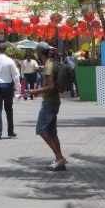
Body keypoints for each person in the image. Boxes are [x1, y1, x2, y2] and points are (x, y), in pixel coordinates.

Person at [30, 42, 67, 171]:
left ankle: (59, 157)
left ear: (39, 52)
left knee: (41, 129)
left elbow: (50, 86)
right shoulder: (51, 62)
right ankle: (59, 161)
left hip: (49, 102)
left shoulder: (49, 65)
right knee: (52, 132)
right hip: (53, 101)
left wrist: (36, 91)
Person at [0, 41, 20, 140]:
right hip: (8, 86)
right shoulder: (10, 61)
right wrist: (18, 90)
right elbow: (15, 75)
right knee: (9, 109)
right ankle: (10, 131)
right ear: (5, 50)